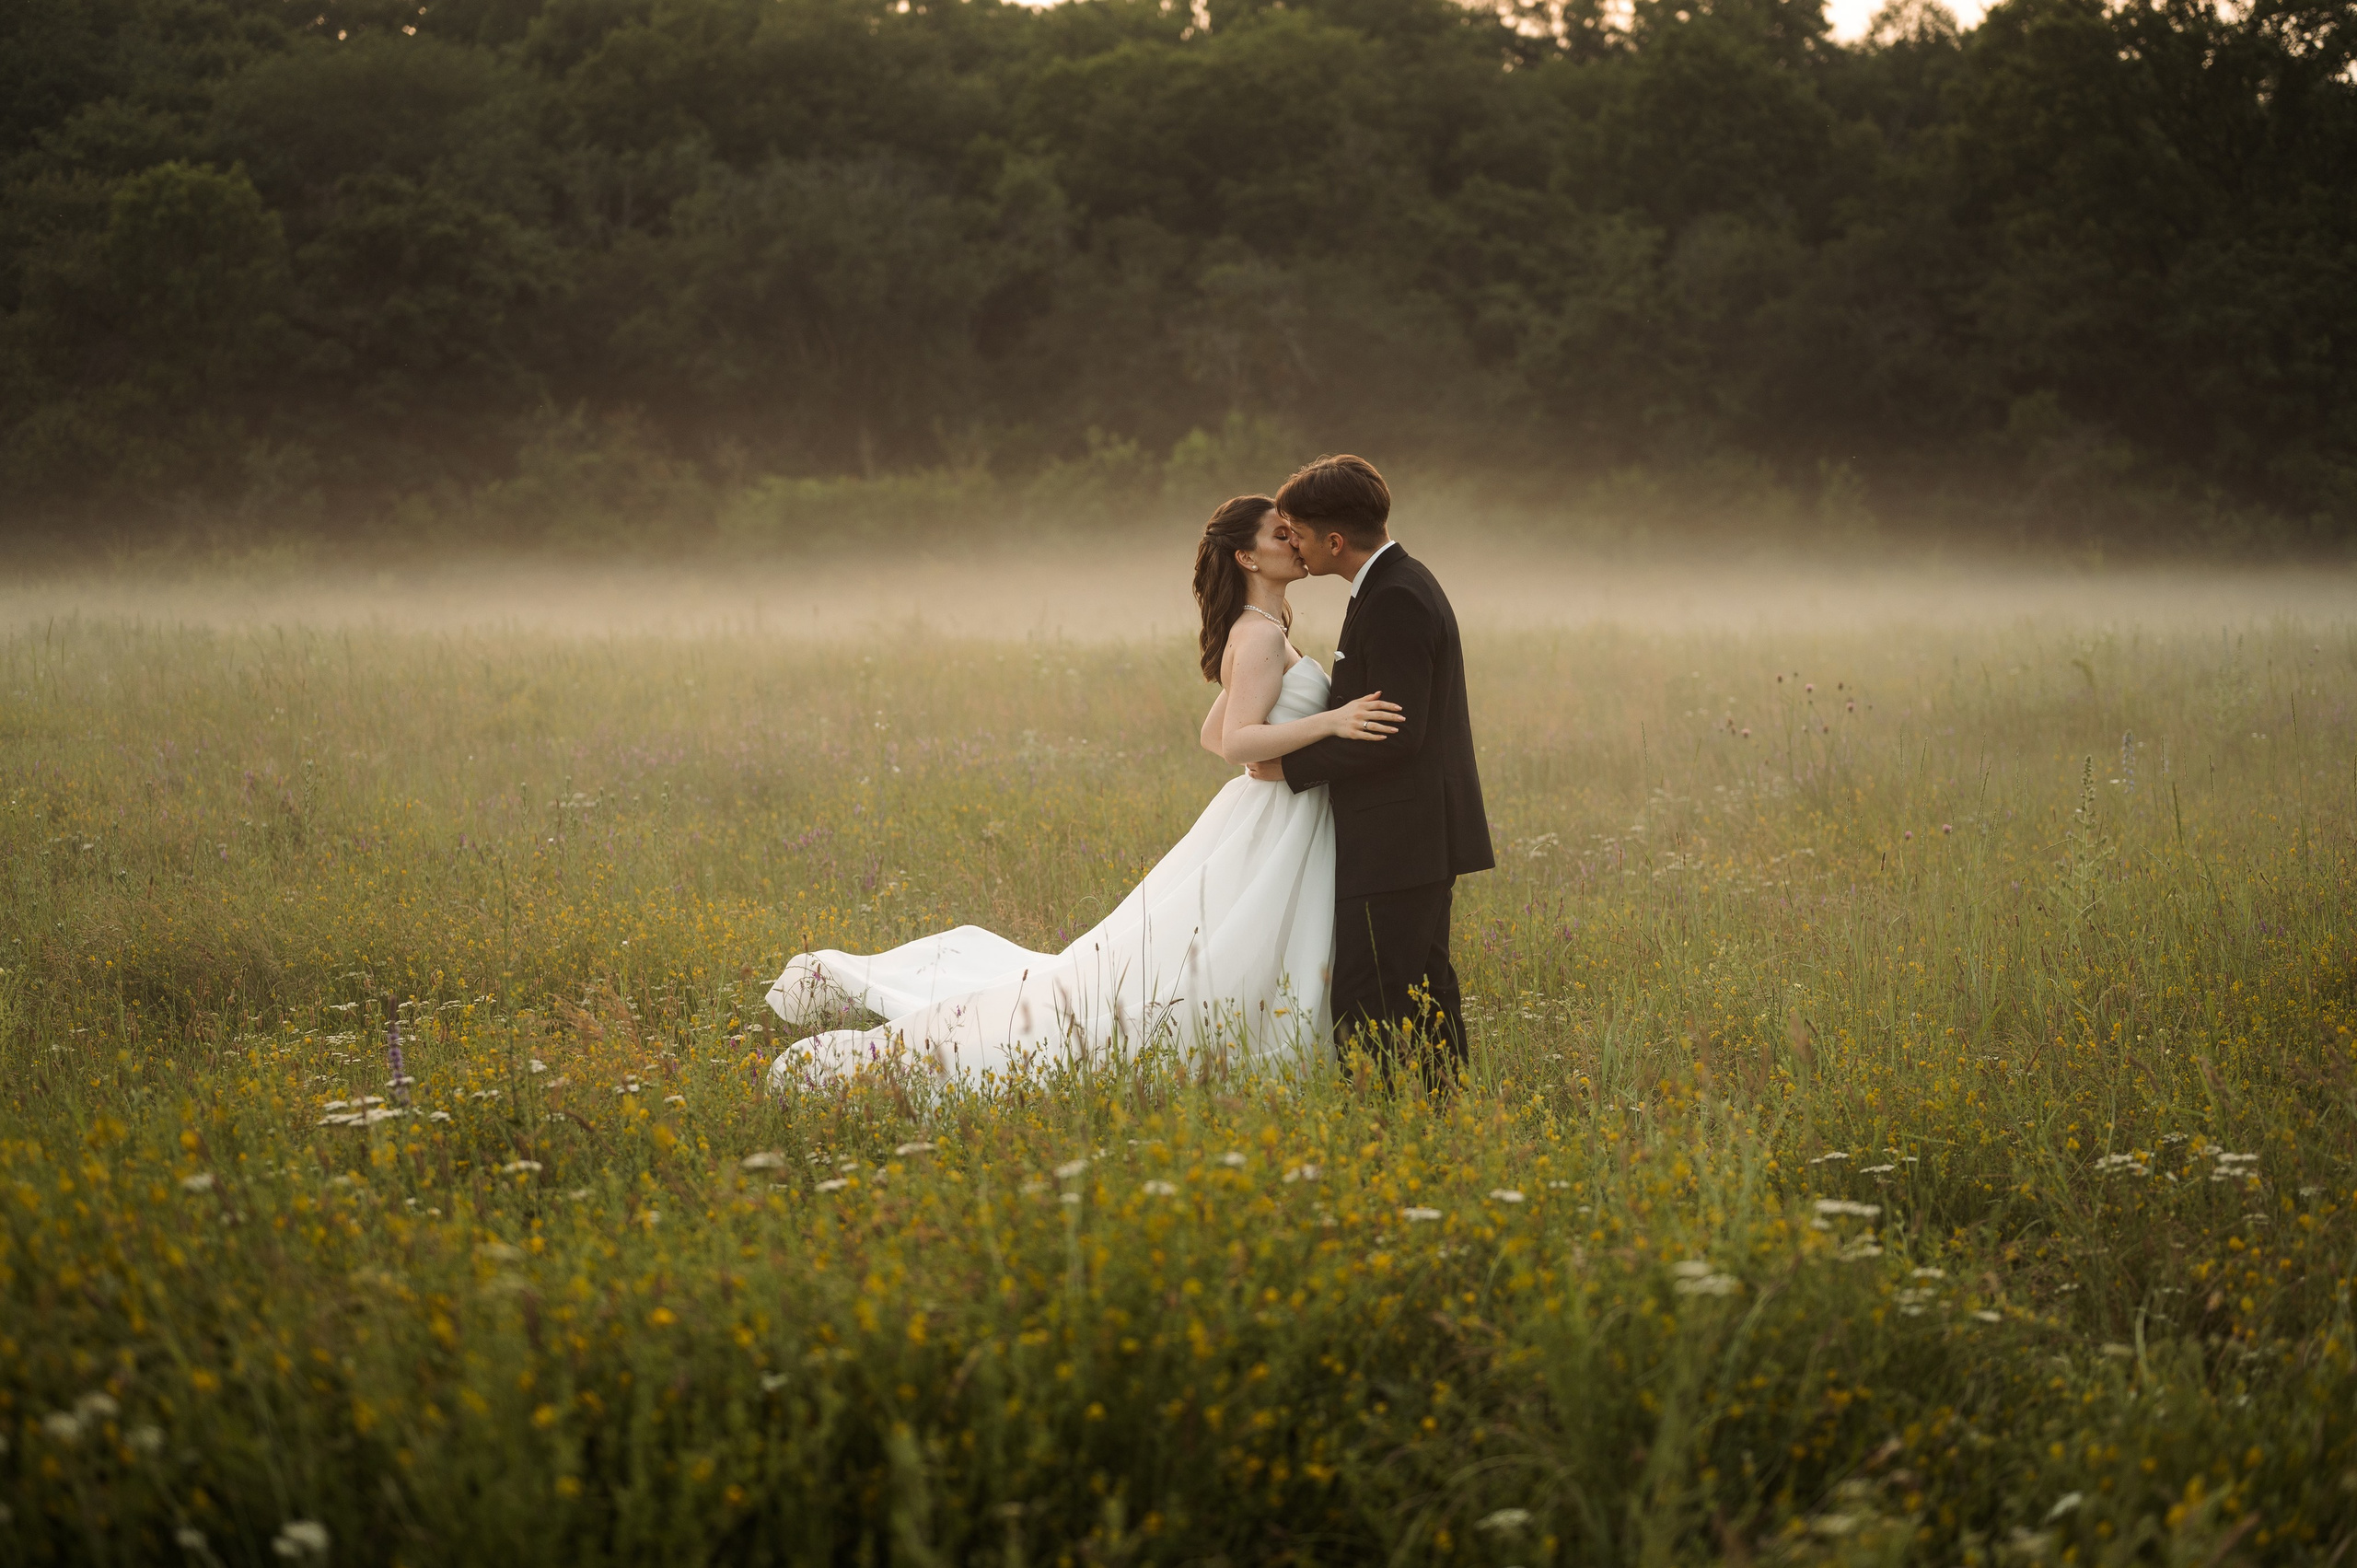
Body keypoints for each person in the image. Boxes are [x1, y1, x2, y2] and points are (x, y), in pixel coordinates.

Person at [761, 494, 1401, 1088]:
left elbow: (1213, 731)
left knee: (1242, 943)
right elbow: (1236, 743)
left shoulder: (1261, 626)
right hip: (1275, 818)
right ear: (1246, 554)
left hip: (1273, 811)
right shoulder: (1259, 634)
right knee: (1234, 947)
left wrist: (1283, 741)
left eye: (1294, 533)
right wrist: (1330, 722)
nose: (1295, 543)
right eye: (1279, 534)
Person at [1246, 455, 1492, 1090]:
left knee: (1369, 994)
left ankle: (1394, 1121)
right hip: (1409, 835)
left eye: (1296, 531)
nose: (1291, 543)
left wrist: (1287, 763)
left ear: (1334, 541)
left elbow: (1395, 735)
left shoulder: (1397, 598)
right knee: (1424, 988)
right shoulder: (1390, 587)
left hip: (1399, 839)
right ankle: (1442, 1115)